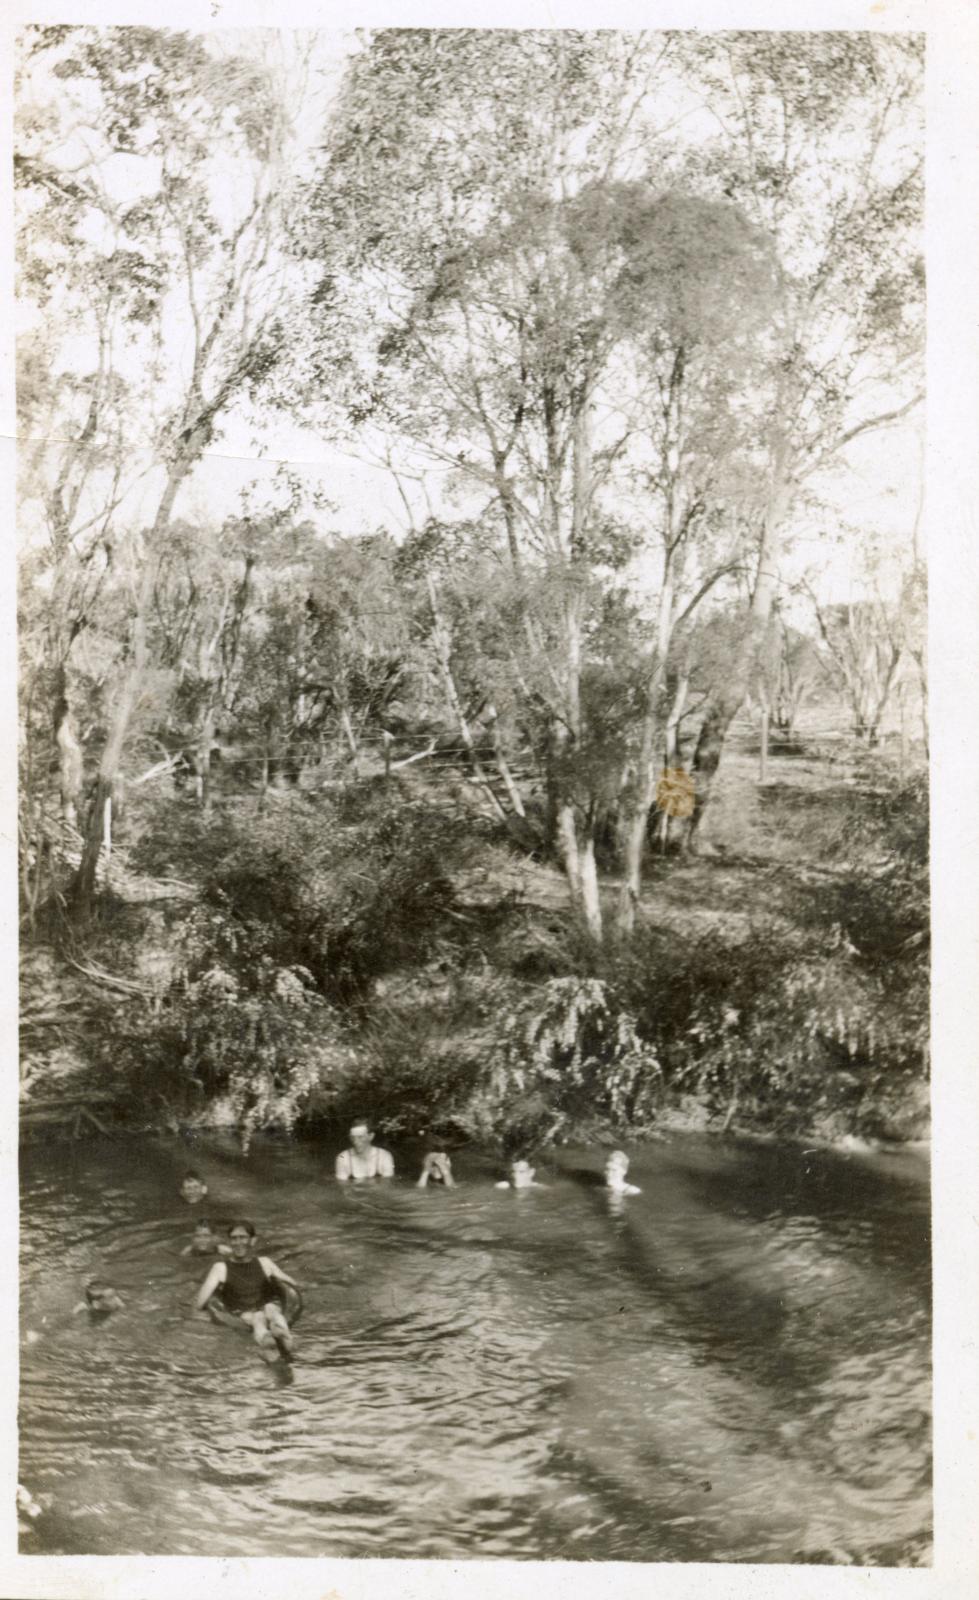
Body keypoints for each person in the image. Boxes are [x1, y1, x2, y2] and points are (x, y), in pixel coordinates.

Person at [194, 1221, 299, 1360]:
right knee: (258, 1317)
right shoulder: (220, 1268)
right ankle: (272, 1339)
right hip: (243, 1313)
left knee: (270, 1309)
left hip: (263, 1307)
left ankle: (278, 1336)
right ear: (229, 1241)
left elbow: (289, 1285)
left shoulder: (265, 1262)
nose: (238, 1242)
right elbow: (201, 1302)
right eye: (234, 1238)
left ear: (253, 1240)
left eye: (242, 1237)